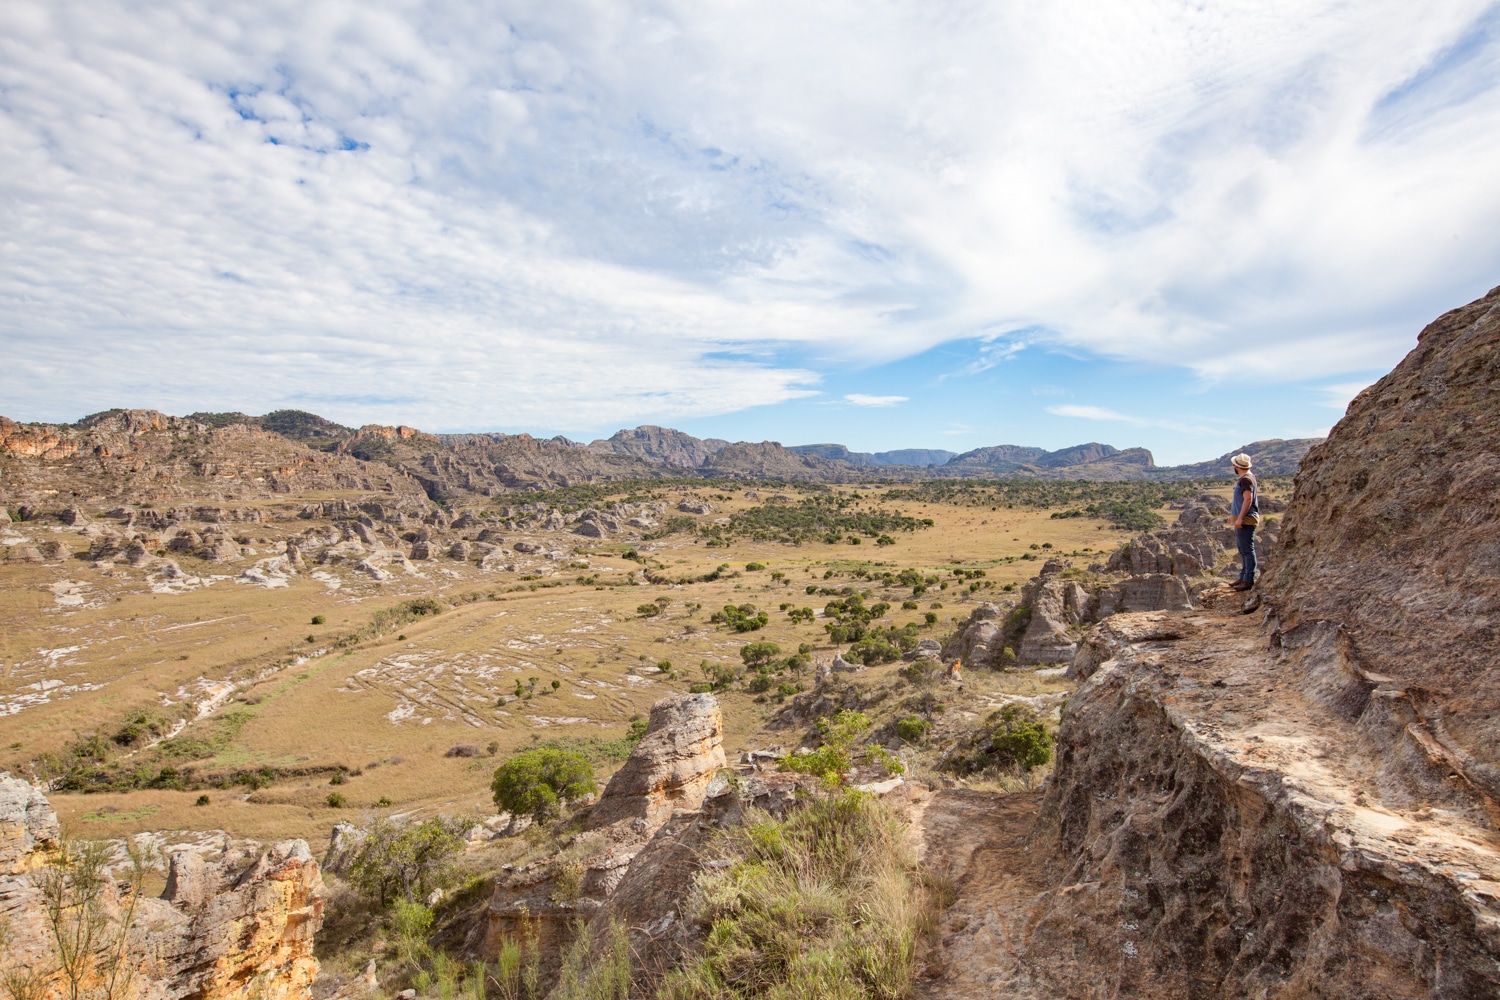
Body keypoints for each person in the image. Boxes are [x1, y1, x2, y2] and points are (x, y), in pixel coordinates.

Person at [1227, 453, 1259, 591]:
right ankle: (1243, 577)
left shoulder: (1246, 480)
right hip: (1243, 518)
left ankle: (1248, 580)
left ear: (1236, 466)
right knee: (1243, 549)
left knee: (1247, 550)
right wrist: (1234, 517)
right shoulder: (1247, 478)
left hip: (1246, 519)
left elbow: (1248, 499)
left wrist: (1240, 518)